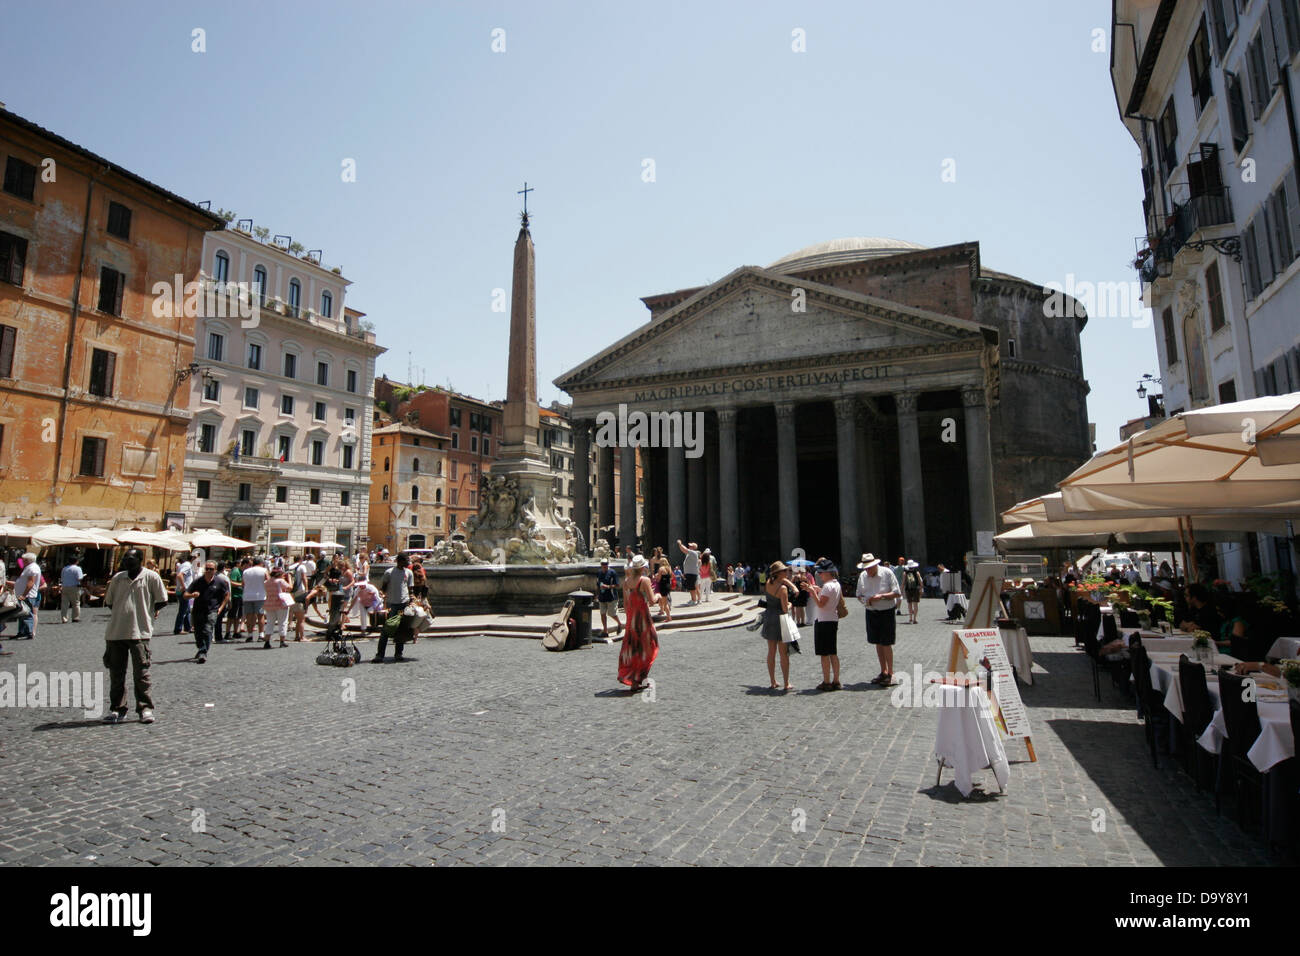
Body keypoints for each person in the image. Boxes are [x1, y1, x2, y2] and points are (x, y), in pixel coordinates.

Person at [101, 549, 169, 723]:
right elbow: (109, 602)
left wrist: (146, 612)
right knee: (116, 674)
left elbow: (162, 600)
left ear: (140, 559)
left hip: (140, 632)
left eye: (130, 558)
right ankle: (117, 708)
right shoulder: (117, 578)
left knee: (142, 673)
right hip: (116, 632)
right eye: (124, 558)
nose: (126, 561)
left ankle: (145, 708)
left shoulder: (152, 577)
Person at [857, 553, 900, 686]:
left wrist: (880, 596)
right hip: (871, 612)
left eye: (869, 568)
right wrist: (866, 600)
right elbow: (859, 594)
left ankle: (891, 674)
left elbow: (897, 592)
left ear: (876, 565)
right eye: (865, 568)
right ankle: (883, 671)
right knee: (877, 642)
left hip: (886, 612)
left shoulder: (887, 573)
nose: (867, 570)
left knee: (886, 643)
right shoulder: (863, 576)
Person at [617, 555, 659, 692]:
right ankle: (640, 677)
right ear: (642, 567)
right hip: (643, 619)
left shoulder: (626, 581)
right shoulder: (644, 580)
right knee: (650, 646)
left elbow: (625, 604)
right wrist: (658, 595)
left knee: (635, 649)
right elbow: (652, 601)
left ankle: (635, 681)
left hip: (632, 619)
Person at [802, 558, 843, 691]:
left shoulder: (828, 586)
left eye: (821, 572)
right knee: (833, 652)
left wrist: (813, 592)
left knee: (824, 654)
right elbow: (827, 596)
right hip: (832, 619)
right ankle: (836, 680)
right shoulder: (835, 584)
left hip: (824, 621)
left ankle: (826, 681)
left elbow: (821, 604)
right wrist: (817, 589)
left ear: (828, 573)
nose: (819, 575)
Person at [184, 560, 230, 663]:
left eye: (211, 569)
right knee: (198, 632)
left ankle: (203, 651)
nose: (209, 571)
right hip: (198, 610)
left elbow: (227, 595)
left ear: (215, 570)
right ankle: (201, 648)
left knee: (208, 630)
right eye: (207, 569)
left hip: (212, 610)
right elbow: (185, 595)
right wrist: (192, 595)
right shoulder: (198, 581)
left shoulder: (220, 582)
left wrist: (221, 607)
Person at [762, 561, 796, 691]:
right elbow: (785, 608)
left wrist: (793, 586)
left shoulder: (768, 583)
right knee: (784, 654)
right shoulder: (782, 589)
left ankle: (773, 681)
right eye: (785, 571)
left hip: (769, 617)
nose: (787, 572)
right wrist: (790, 604)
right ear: (780, 573)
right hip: (780, 620)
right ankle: (786, 683)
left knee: (771, 652)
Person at [374, 552, 413, 662]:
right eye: (406, 561)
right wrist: (381, 594)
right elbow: (384, 587)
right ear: (399, 561)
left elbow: (410, 588)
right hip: (392, 604)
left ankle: (398, 653)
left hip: (403, 604)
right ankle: (380, 655)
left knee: (401, 629)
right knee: (387, 629)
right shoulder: (389, 572)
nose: (408, 563)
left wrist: (412, 600)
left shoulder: (409, 573)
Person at [14, 552, 43, 640]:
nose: (22, 562)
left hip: (28, 595)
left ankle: (29, 632)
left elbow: (31, 582)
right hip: (26, 595)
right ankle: (22, 632)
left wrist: (24, 594)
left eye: (23, 560)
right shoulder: (29, 567)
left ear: (27, 560)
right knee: (22, 614)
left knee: (27, 613)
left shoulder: (32, 568)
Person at [263, 568, 294, 648]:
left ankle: (267, 641)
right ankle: (282, 641)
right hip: (280, 603)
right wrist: (289, 579)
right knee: (283, 622)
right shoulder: (280, 581)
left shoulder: (266, 582)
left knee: (270, 622)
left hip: (269, 603)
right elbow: (290, 588)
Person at [240, 557, 269, 642]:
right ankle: (261, 634)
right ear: (261, 563)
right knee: (260, 616)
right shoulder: (264, 570)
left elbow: (243, 584)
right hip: (260, 595)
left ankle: (250, 635)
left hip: (247, 595)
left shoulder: (246, 571)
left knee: (249, 616)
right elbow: (268, 581)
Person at [595, 558, 622, 637]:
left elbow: (617, 585)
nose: (604, 566)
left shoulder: (612, 572)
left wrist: (608, 586)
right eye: (603, 564)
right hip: (602, 596)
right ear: (601, 565)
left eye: (606, 564)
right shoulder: (599, 573)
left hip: (611, 596)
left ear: (608, 564)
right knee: (602, 613)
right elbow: (597, 584)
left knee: (611, 613)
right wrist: (596, 594)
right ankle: (605, 630)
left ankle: (619, 624)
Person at [289, 555, 312, 642]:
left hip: (291, 591)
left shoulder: (290, 567)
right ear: (301, 560)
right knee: (301, 616)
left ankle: (292, 626)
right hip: (300, 590)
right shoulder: (301, 566)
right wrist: (306, 589)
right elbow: (304, 578)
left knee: (294, 611)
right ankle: (302, 637)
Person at [172, 552, 195, 634]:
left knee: (187, 609)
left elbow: (178, 575)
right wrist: (183, 586)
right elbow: (180, 575)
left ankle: (188, 627)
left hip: (182, 590)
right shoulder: (187, 565)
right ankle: (178, 629)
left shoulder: (183, 565)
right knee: (183, 610)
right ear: (192, 558)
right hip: (184, 590)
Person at [60, 555, 85, 624]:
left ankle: (64, 618)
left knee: (64, 603)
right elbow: (79, 578)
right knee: (76, 603)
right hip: (74, 587)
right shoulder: (78, 568)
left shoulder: (64, 569)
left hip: (65, 586)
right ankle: (75, 617)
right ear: (76, 561)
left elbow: (62, 579)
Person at [677, 539, 701, 606]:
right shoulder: (690, 554)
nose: (689, 546)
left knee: (692, 587)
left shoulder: (693, 553)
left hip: (691, 573)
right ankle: (693, 599)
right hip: (689, 573)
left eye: (690, 546)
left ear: (693, 548)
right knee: (691, 587)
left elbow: (684, 549)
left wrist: (680, 544)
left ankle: (694, 600)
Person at [226, 558, 245, 641]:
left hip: (241, 596)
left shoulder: (242, 572)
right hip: (235, 596)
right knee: (231, 615)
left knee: (238, 616)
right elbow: (231, 582)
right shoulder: (236, 571)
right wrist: (241, 585)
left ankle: (235, 632)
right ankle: (227, 632)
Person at [902, 560, 923, 625]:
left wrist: (901, 590)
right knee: (915, 604)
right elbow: (920, 582)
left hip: (908, 589)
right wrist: (921, 589)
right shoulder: (917, 573)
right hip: (916, 589)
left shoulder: (905, 573)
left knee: (909, 604)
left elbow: (903, 583)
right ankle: (915, 619)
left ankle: (910, 618)